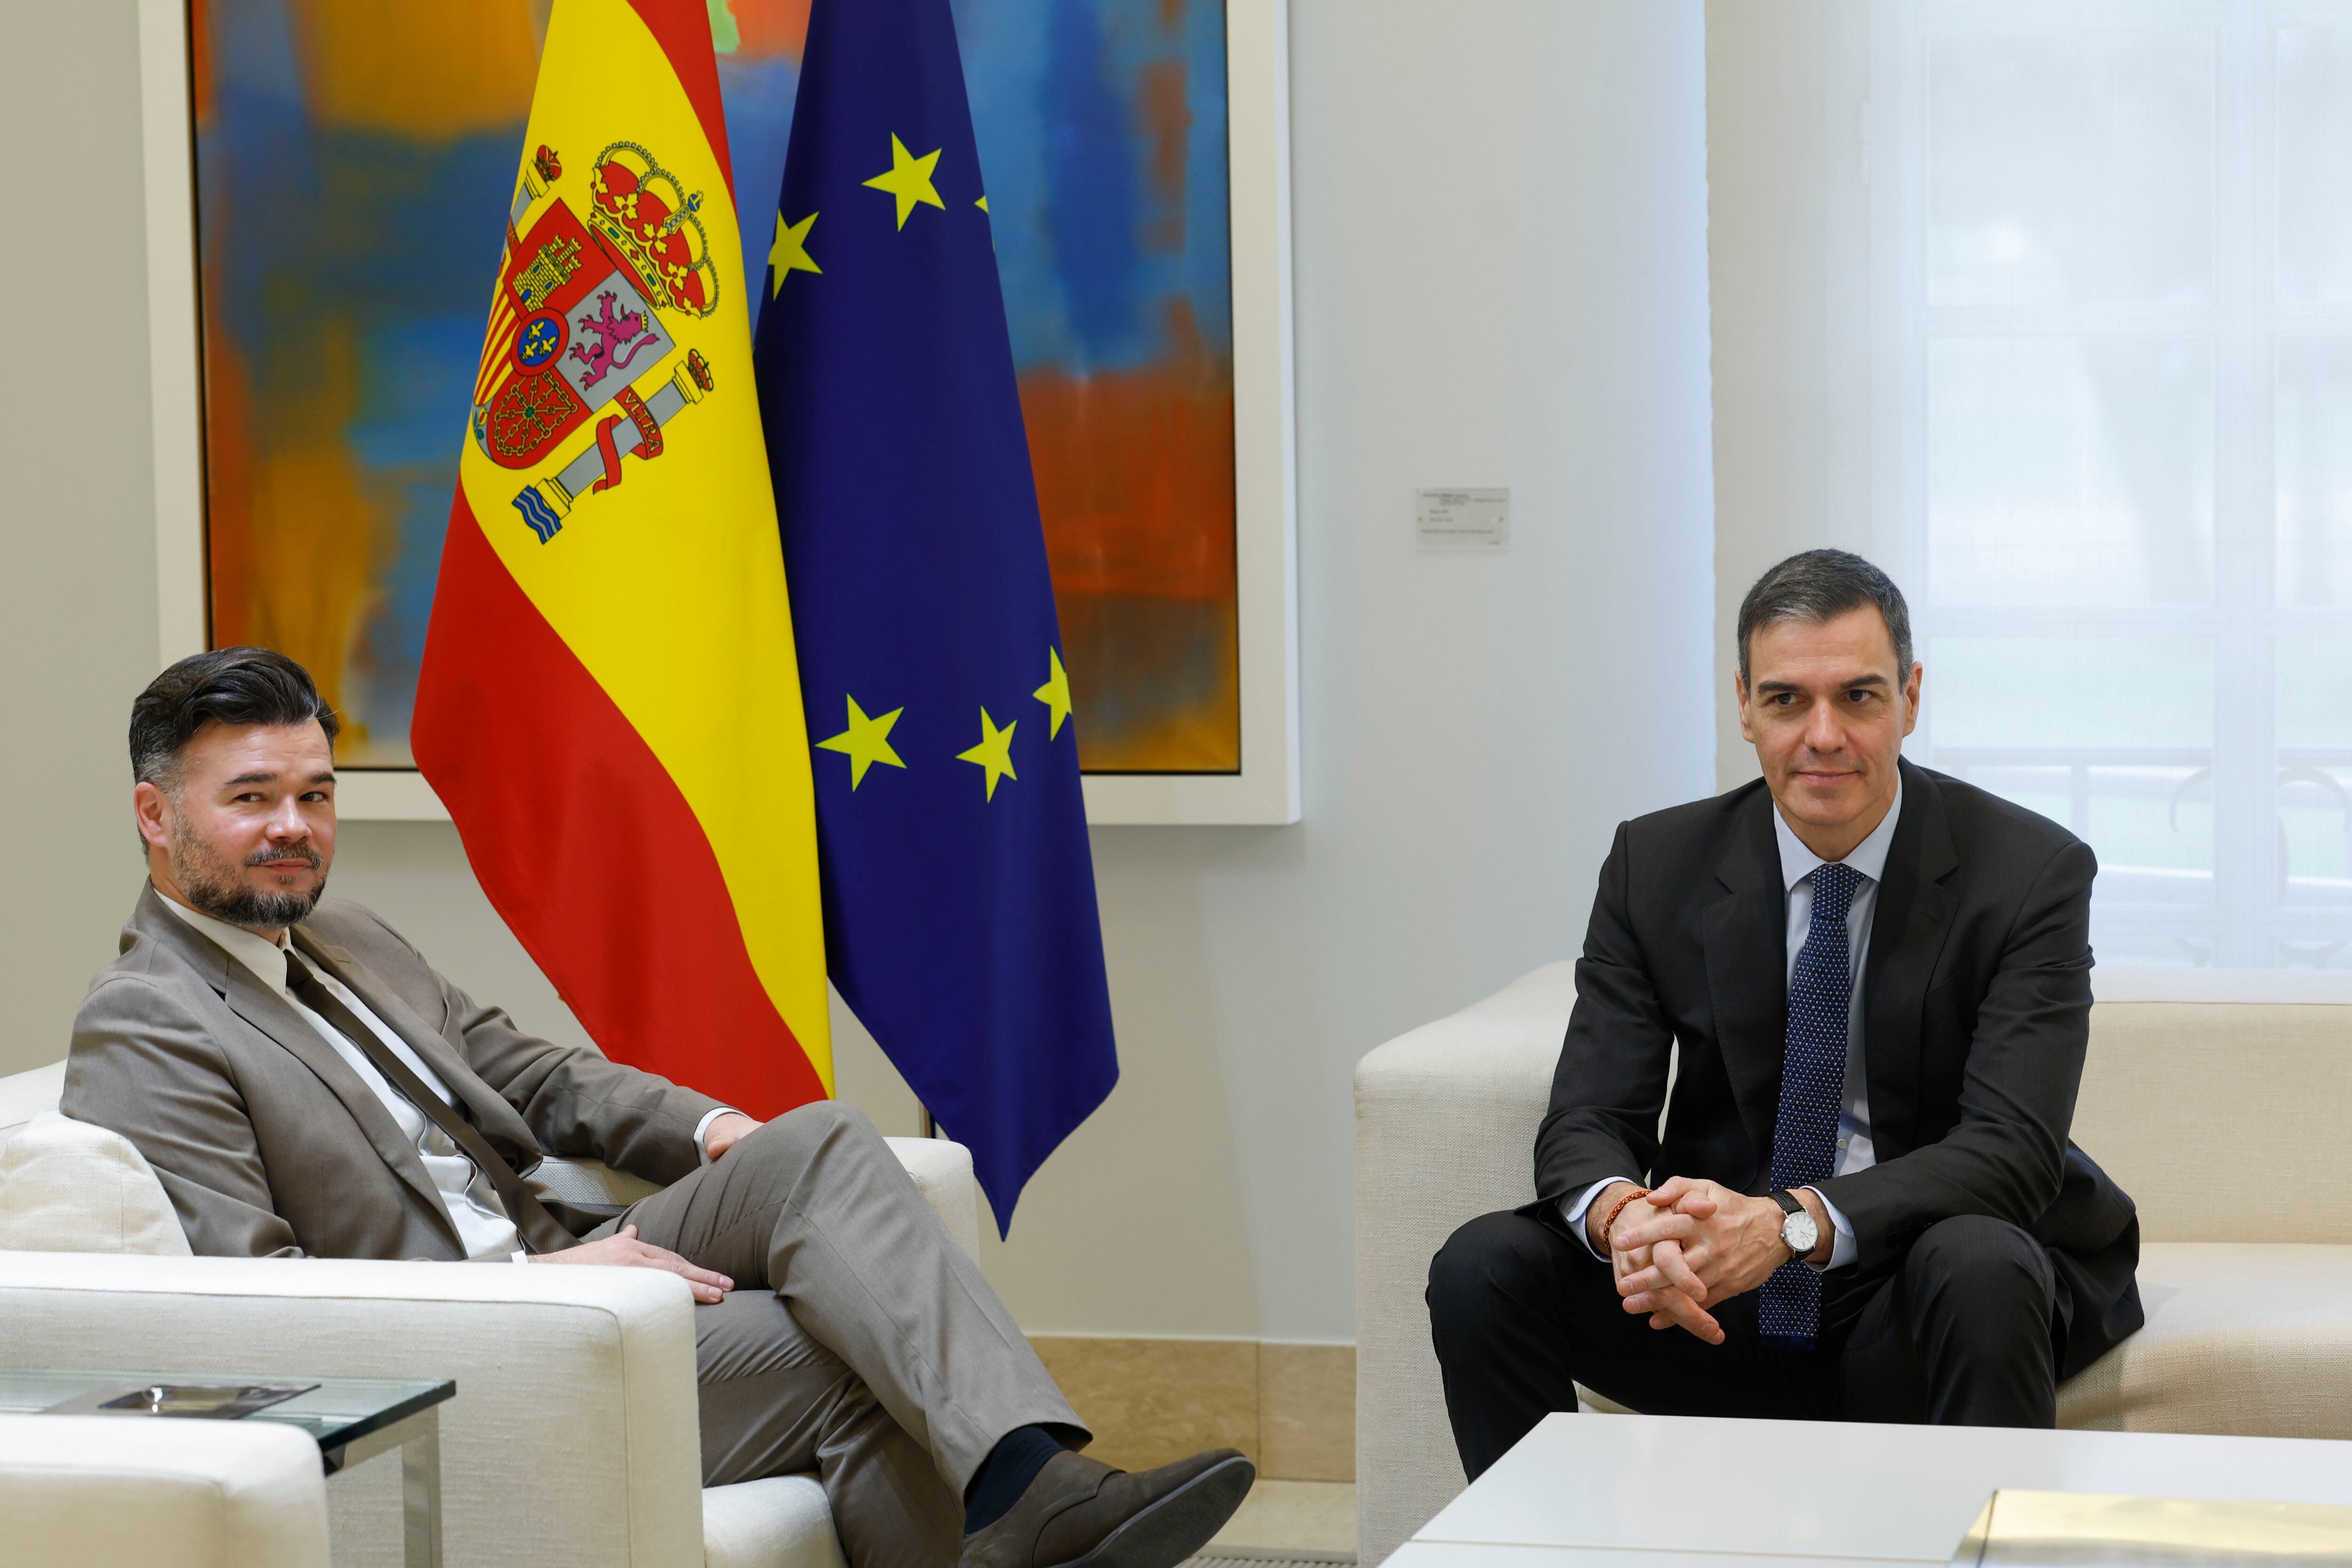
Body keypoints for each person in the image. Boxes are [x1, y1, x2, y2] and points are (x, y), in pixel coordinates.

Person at [65, 647, 1253, 1568]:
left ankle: (1031, 1492)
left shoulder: (348, 935)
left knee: (819, 1138)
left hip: (570, 1263)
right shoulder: (149, 1016)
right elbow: (252, 1302)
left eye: (316, 793)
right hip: (476, 1345)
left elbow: (532, 1077)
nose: (293, 827)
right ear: (156, 816)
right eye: (253, 796)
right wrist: (536, 1288)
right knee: (844, 1349)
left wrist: (720, 1132)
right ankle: (1035, 1500)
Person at [1425, 549, 2143, 1477]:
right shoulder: (1657, 863)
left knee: (1980, 1263)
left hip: (1916, 1281)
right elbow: (1589, 1118)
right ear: (1743, 706)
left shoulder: (2027, 871)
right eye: (1786, 700)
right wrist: (1626, 1219)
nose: (1823, 734)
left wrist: (1789, 1225)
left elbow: (2010, 1151)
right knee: (1484, 1265)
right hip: (1716, 1300)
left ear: (1911, 697)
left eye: (1858, 696)